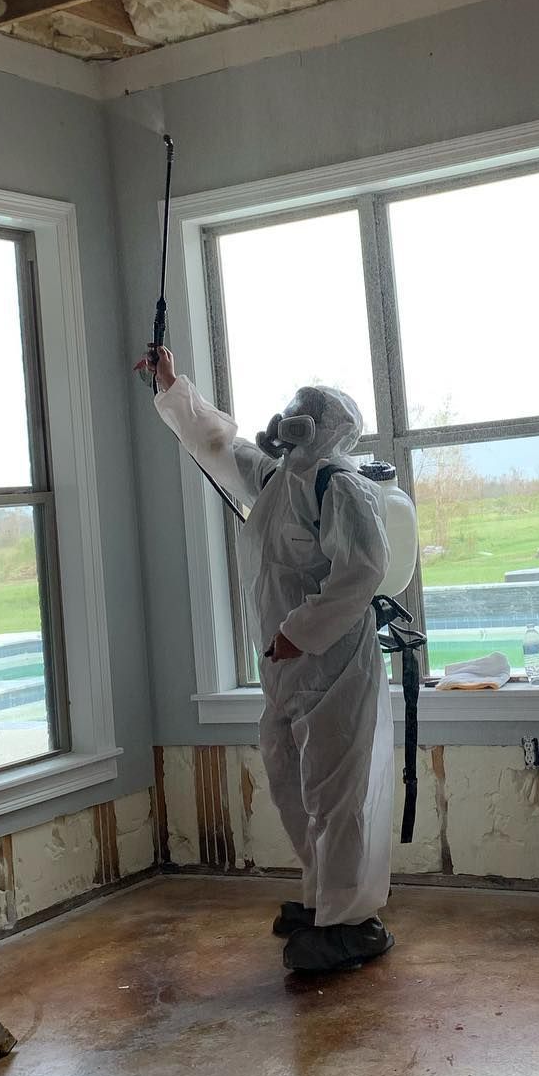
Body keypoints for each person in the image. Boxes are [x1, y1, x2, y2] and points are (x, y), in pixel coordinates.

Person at [137, 345, 395, 972]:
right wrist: (173, 389)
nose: (288, 424)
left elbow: (364, 572)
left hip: (334, 665)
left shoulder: (343, 488)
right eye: (288, 413)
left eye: (304, 415)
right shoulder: (281, 483)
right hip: (286, 670)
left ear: (331, 428)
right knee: (292, 784)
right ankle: (319, 897)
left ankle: (350, 919)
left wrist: (298, 631)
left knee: (339, 793)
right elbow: (220, 445)